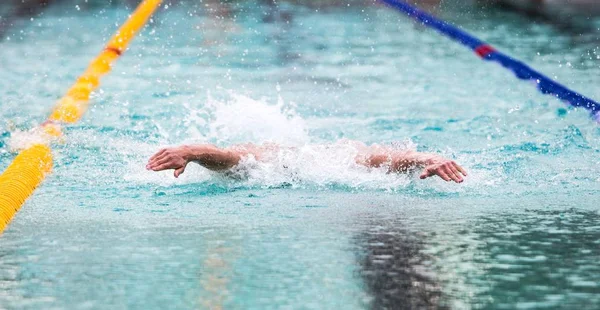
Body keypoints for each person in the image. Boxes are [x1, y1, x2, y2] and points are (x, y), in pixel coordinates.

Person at [146, 141, 468, 183]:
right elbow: (232, 159)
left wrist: (431, 158)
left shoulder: (345, 160)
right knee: (244, 164)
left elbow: (396, 159)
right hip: (273, 159)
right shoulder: (273, 160)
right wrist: (190, 152)